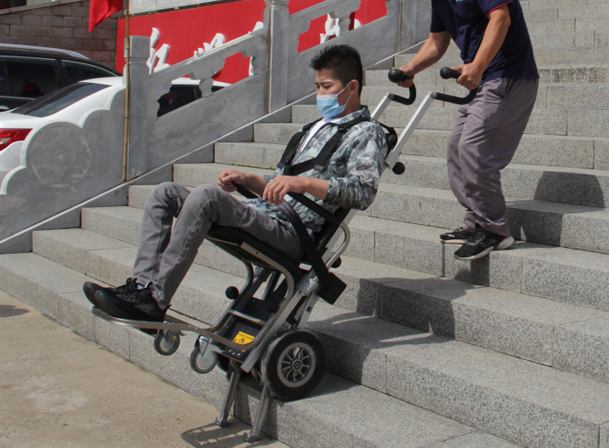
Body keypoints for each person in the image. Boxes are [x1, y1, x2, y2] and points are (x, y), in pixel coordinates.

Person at [83, 45, 389, 322]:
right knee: (165, 193)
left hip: (294, 232)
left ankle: (156, 300)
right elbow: (279, 183)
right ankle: (141, 288)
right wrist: (248, 179)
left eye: (327, 87)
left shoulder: (365, 132)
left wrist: (303, 183)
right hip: (266, 215)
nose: (320, 94)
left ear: (352, 87)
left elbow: (363, 191)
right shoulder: (315, 128)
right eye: (317, 86)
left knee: (205, 196)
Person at [391, 0, 539, 262]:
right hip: (481, 80)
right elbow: (436, 42)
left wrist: (478, 64)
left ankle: (495, 231)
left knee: (475, 148)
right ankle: (475, 222)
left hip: (508, 76)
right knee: (457, 150)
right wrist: (410, 68)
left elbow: (500, 17)